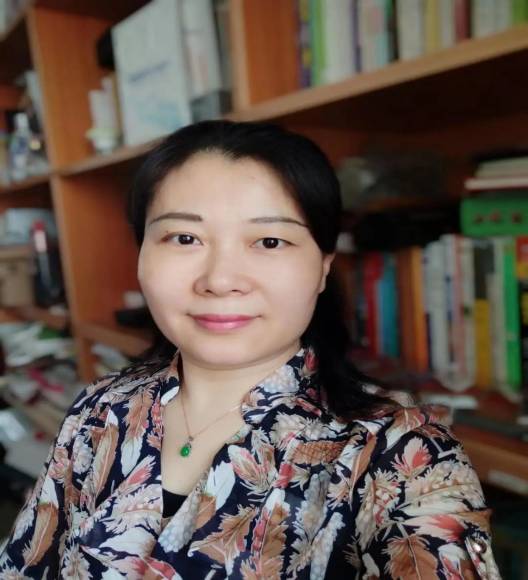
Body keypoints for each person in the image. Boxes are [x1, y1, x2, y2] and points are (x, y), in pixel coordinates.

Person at [0, 121, 498, 579]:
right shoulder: (99, 409)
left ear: (323, 267)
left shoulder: (406, 457)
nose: (220, 280)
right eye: (184, 237)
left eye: (270, 241)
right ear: (141, 254)